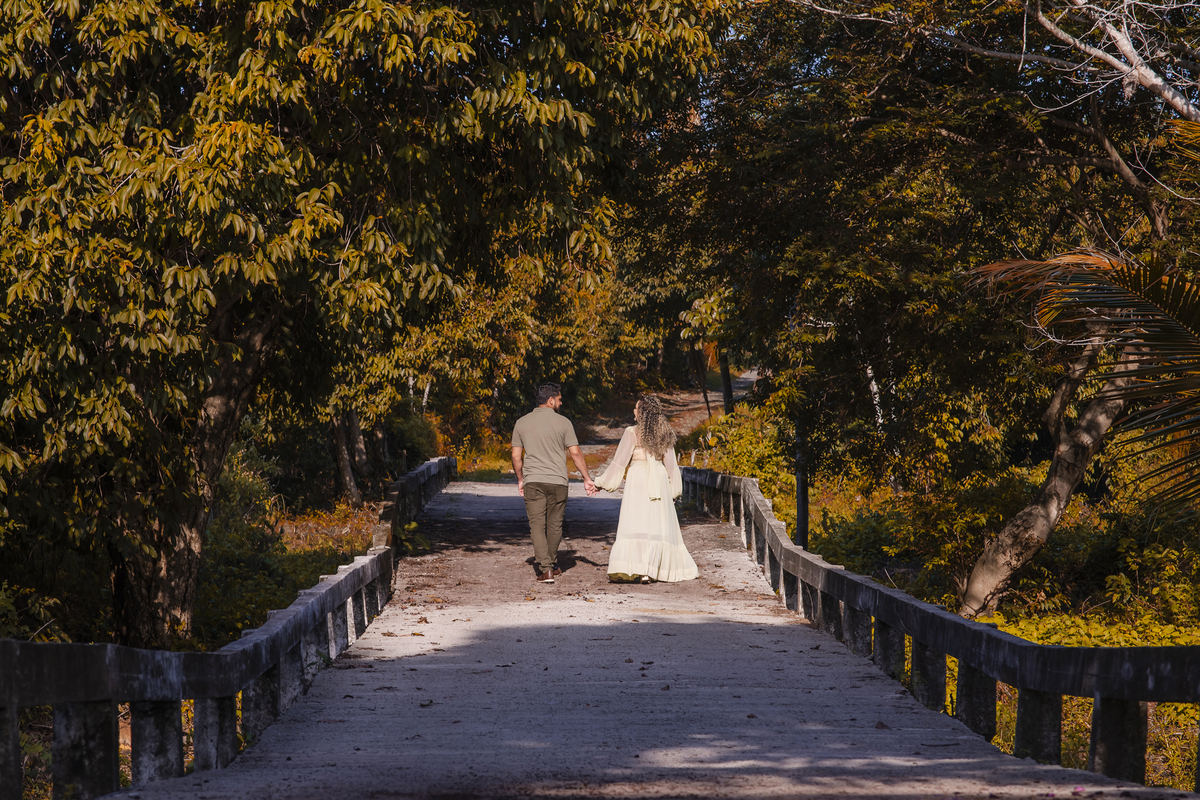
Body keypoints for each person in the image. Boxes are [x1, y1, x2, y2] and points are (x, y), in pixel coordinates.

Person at [594, 394, 698, 584]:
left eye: (636, 408)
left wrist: (601, 482)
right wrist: (674, 490)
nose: (633, 411)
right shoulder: (665, 432)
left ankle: (638, 567)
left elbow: (619, 463)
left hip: (638, 479)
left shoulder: (632, 433)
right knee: (656, 523)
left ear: (642, 413)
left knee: (637, 521)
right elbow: (671, 466)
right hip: (658, 478)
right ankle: (651, 569)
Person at [511, 383, 597, 583]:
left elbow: (516, 456)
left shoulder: (521, 423)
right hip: (558, 481)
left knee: (536, 525)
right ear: (551, 400)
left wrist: (521, 479)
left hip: (533, 481)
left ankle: (546, 569)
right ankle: (549, 565)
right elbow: (575, 453)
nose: (561, 402)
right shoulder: (564, 423)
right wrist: (586, 478)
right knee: (555, 525)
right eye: (559, 399)